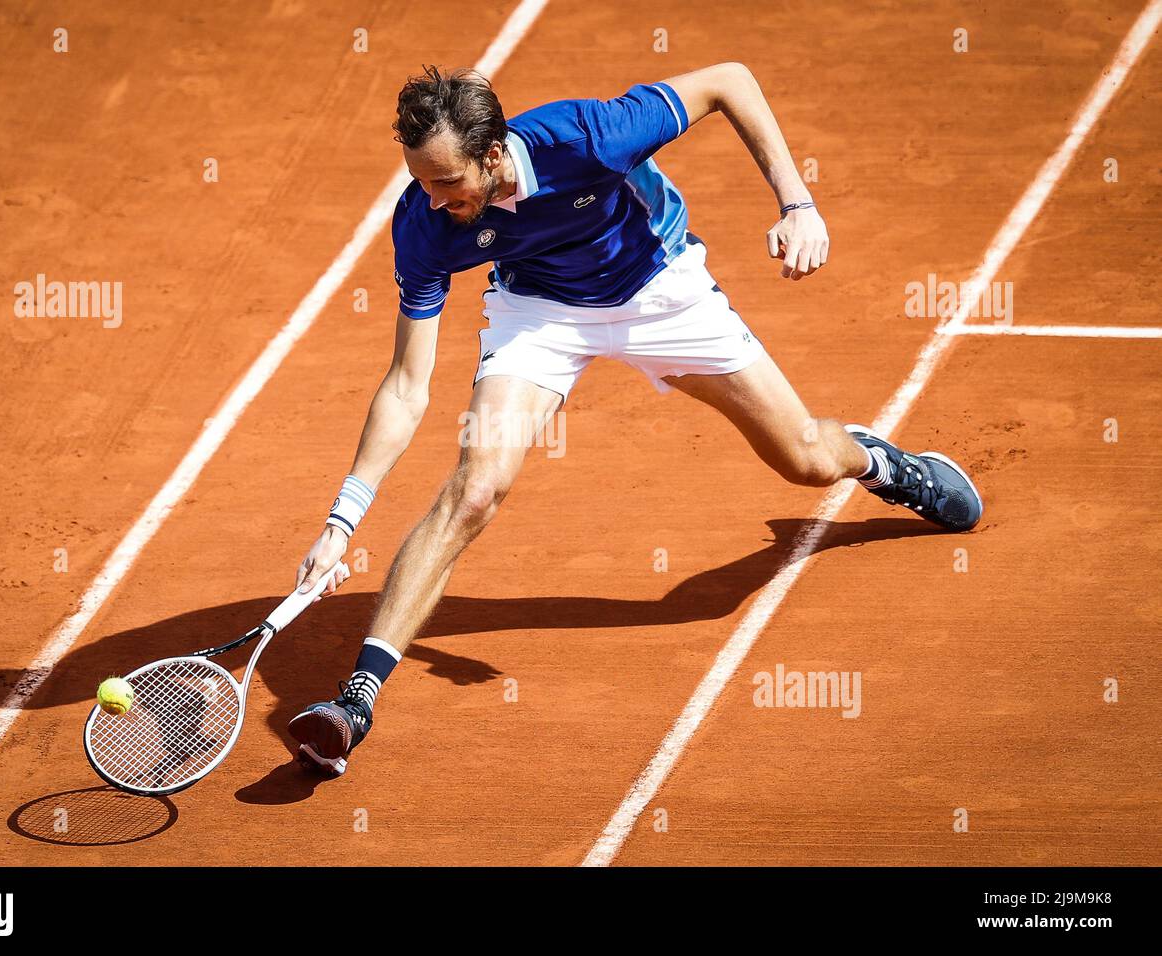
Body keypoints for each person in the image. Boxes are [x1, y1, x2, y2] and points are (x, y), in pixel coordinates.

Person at [286, 63, 982, 776]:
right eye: (421, 181)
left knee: (805, 460)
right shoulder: (423, 223)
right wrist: (343, 521)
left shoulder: (586, 137)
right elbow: (407, 385)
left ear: (493, 155)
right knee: (475, 488)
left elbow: (729, 82)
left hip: (659, 288)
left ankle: (880, 464)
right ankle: (358, 698)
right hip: (543, 312)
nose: (431, 200)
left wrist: (796, 202)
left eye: (445, 183)